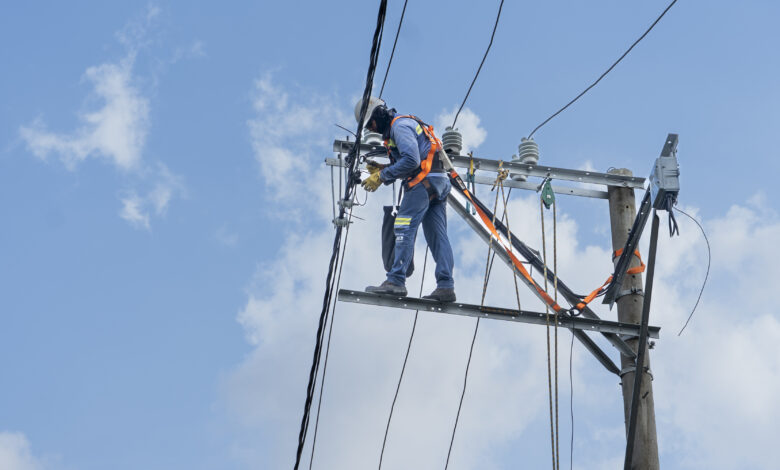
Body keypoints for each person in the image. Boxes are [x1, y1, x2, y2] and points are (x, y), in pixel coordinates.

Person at [360, 99, 456, 302]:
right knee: (437, 236)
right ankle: (446, 286)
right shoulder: (404, 125)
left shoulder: (400, 127)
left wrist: (382, 176)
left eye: (370, 124)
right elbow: (414, 160)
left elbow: (411, 160)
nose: (372, 129)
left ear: (379, 115)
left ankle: (396, 280)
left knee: (403, 226)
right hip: (438, 181)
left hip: (423, 183)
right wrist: (383, 169)